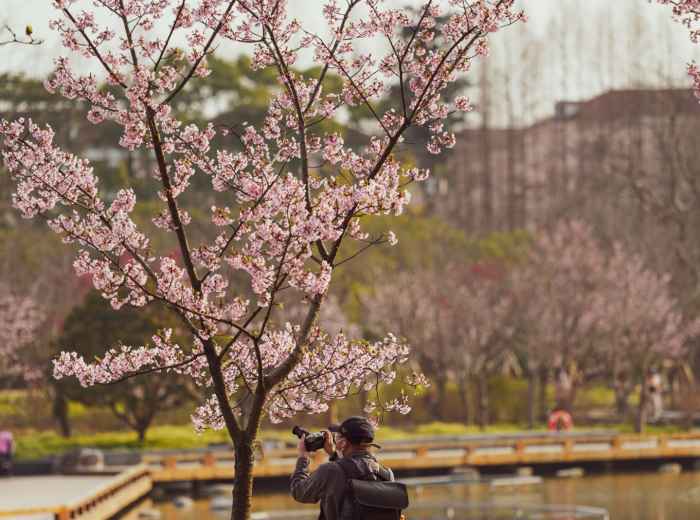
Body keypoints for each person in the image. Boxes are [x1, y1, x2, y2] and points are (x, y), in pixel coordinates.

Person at [290, 416, 394, 520]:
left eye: (337, 437)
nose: (335, 441)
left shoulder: (330, 471)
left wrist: (303, 457)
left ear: (343, 443)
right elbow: (353, 470)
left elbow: (299, 491)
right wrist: (333, 453)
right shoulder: (386, 474)